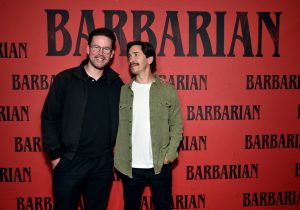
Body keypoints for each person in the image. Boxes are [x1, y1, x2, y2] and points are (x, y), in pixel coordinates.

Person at [41, 28, 123, 210]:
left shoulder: (117, 84)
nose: (100, 53)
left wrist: (156, 83)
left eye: (106, 49)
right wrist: (55, 157)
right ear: (87, 49)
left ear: (112, 54)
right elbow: (49, 117)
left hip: (102, 165)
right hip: (70, 162)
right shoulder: (66, 79)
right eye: (96, 47)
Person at [114, 41, 183, 210]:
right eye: (129, 56)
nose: (131, 59)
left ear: (150, 59)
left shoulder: (168, 91)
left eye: (136, 54)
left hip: (160, 165)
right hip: (129, 167)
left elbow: (177, 125)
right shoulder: (122, 92)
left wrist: (169, 155)